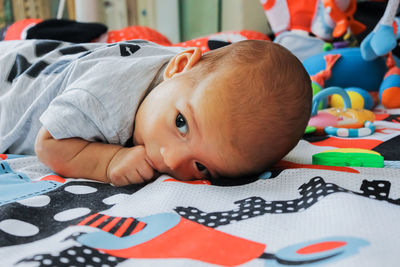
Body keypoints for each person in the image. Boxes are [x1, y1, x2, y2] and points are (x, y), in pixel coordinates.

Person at [0, 39, 311, 186]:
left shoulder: (185, 86)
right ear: (178, 66)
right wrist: (109, 160)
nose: (172, 159)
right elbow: (48, 143)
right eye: (181, 123)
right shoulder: (106, 98)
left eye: (202, 167)